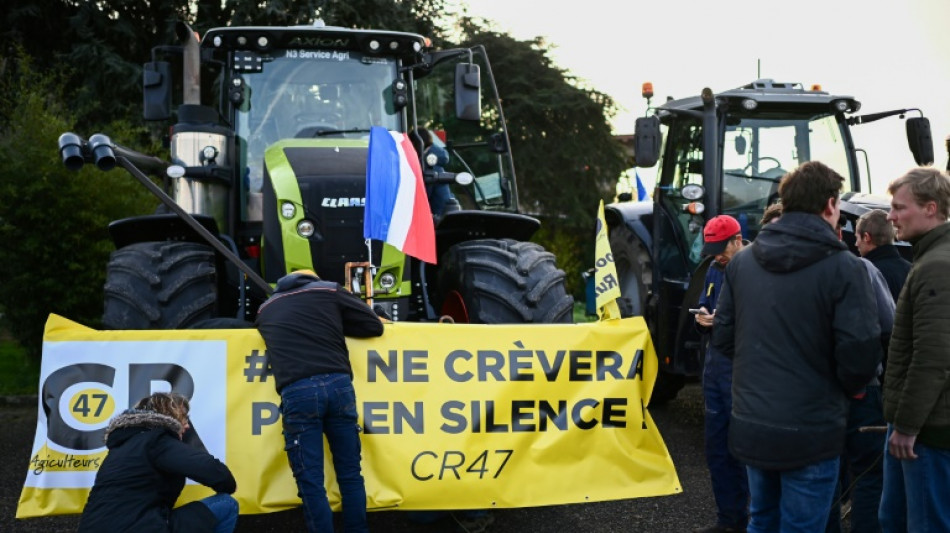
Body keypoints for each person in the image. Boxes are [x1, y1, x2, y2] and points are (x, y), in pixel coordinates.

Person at [711, 160, 883, 532]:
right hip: (813, 430)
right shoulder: (846, 268)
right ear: (830, 206)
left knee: (762, 520)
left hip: (753, 425)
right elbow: (860, 358)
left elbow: (722, 338)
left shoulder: (742, 264)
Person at [254, 269, 384, 533]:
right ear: (313, 280)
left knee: (310, 480)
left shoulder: (265, 309)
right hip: (339, 386)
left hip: (297, 392)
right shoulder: (328, 291)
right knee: (350, 473)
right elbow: (374, 325)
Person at [879, 167, 950, 532]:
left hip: (926, 430)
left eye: (899, 208)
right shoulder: (930, 257)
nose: (890, 216)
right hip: (920, 425)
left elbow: (934, 356)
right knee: (895, 519)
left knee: (923, 524)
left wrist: (906, 426)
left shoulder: (937, 265)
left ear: (931, 208)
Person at [78, 392, 238, 533]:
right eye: (184, 418)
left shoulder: (122, 448)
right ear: (170, 415)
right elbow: (211, 470)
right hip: (136, 528)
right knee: (226, 503)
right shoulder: (156, 441)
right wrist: (227, 486)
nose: (188, 425)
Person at [825, 216, 894, 533]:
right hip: (862, 389)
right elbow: (888, 322)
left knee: (824, 473)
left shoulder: (763, 265)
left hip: (815, 392)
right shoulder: (862, 269)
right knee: (869, 473)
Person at [693, 215, 749, 533]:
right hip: (715, 368)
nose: (716, 255)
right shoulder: (715, 269)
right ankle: (729, 520)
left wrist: (724, 322)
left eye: (721, 248)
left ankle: (755, 520)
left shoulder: (756, 269)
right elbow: (704, 302)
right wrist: (701, 317)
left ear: (737, 240)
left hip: (741, 369)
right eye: (712, 249)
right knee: (717, 449)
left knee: (743, 448)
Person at [855, 208, 912, 302]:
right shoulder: (911, 270)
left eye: (857, 238)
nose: (856, 244)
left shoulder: (865, 273)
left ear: (866, 237)